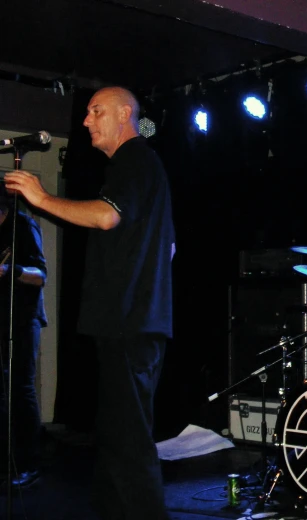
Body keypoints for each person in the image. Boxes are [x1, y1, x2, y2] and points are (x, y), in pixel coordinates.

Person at [5, 86, 175, 520]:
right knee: (119, 441)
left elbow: (105, 216)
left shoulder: (135, 158)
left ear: (124, 115)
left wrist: (41, 198)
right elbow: (169, 247)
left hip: (129, 323)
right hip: (131, 321)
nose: (86, 121)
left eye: (95, 111)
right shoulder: (142, 168)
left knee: (129, 444)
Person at [0, 189, 47, 487]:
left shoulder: (23, 226)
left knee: (20, 389)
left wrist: (9, 269)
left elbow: (40, 275)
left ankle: (29, 464)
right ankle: (6, 461)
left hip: (21, 319)